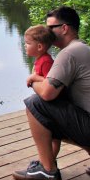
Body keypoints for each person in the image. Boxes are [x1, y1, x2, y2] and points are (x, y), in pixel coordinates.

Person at [12, 6, 90, 180]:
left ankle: (47, 170)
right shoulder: (80, 49)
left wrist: (33, 79)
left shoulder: (69, 53)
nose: (46, 32)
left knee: (35, 104)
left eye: (50, 28)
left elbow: (47, 94)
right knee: (53, 111)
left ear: (64, 28)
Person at [24, 25, 61, 160]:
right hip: (46, 103)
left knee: (54, 138)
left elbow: (48, 81)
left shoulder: (46, 61)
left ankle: (49, 162)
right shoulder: (40, 59)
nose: (25, 46)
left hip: (53, 104)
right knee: (52, 136)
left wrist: (33, 78)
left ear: (39, 47)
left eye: (28, 43)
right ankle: (49, 161)